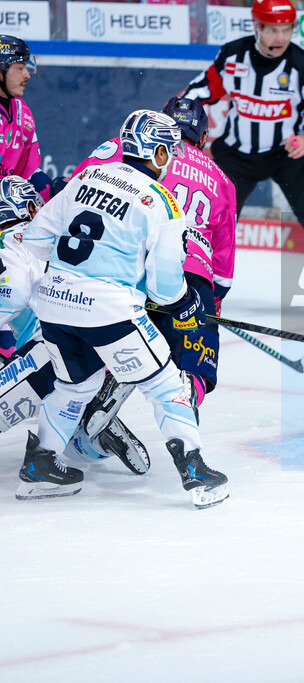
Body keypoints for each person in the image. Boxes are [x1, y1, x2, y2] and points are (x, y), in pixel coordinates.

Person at [17, 110, 229, 509]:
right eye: (172, 152)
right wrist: (184, 304)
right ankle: (196, 472)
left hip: (55, 304)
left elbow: (37, 236)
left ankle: (39, 467)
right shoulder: (163, 203)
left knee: (74, 386)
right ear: (160, 152)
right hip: (109, 311)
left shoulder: (86, 178)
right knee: (165, 384)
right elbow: (166, 287)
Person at [179, 0, 304, 310]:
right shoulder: (232, 55)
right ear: (257, 28)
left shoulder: (302, 66)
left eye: (287, 30)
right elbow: (200, 91)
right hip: (237, 155)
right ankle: (192, 284)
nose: (280, 38)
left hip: (289, 156)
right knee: (210, 216)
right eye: (272, 30)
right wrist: (179, 116)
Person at [71, 97, 237, 425]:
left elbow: (79, 183)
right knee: (195, 354)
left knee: (112, 335)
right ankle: (188, 390)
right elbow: (224, 262)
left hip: (132, 265)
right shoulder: (222, 180)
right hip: (192, 275)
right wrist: (211, 302)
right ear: (202, 138)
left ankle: (102, 384)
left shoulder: (129, 145)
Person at [0, 175, 150, 493]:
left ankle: (86, 432)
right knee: (60, 354)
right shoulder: (23, 242)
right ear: (27, 208)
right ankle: (85, 433)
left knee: (66, 359)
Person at [0, 36, 51, 198]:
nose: (27, 75)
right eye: (20, 68)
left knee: (50, 188)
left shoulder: (23, 111)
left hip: (7, 198)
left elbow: (30, 172)